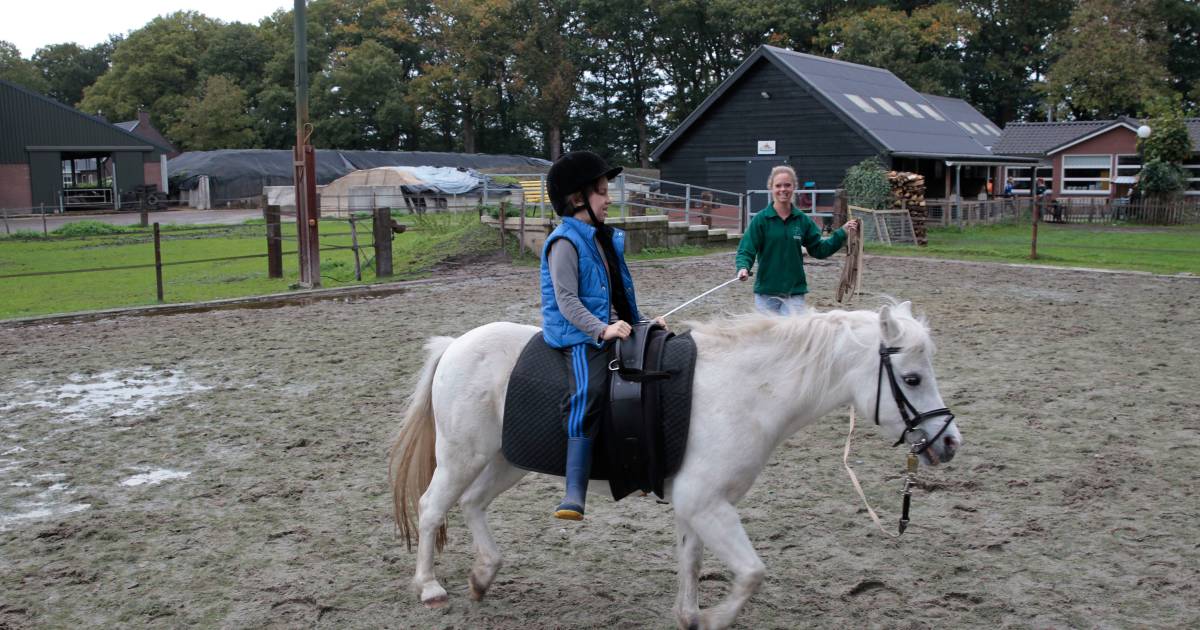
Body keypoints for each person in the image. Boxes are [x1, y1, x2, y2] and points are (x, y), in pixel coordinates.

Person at [540, 150, 665, 521]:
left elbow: (618, 296)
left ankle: (635, 468)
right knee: (590, 392)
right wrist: (601, 329)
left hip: (608, 327)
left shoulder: (602, 239)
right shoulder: (564, 242)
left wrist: (642, 323)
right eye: (601, 192)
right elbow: (566, 300)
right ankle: (573, 490)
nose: (609, 199)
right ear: (578, 198)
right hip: (577, 336)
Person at [736, 165, 858, 315]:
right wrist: (743, 267)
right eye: (778, 185)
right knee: (768, 338)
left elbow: (819, 249)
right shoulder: (761, 220)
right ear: (771, 188)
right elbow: (746, 249)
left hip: (794, 293)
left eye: (787, 185)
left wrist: (842, 233)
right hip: (766, 293)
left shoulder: (802, 220)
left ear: (794, 187)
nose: (783, 189)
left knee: (793, 337)